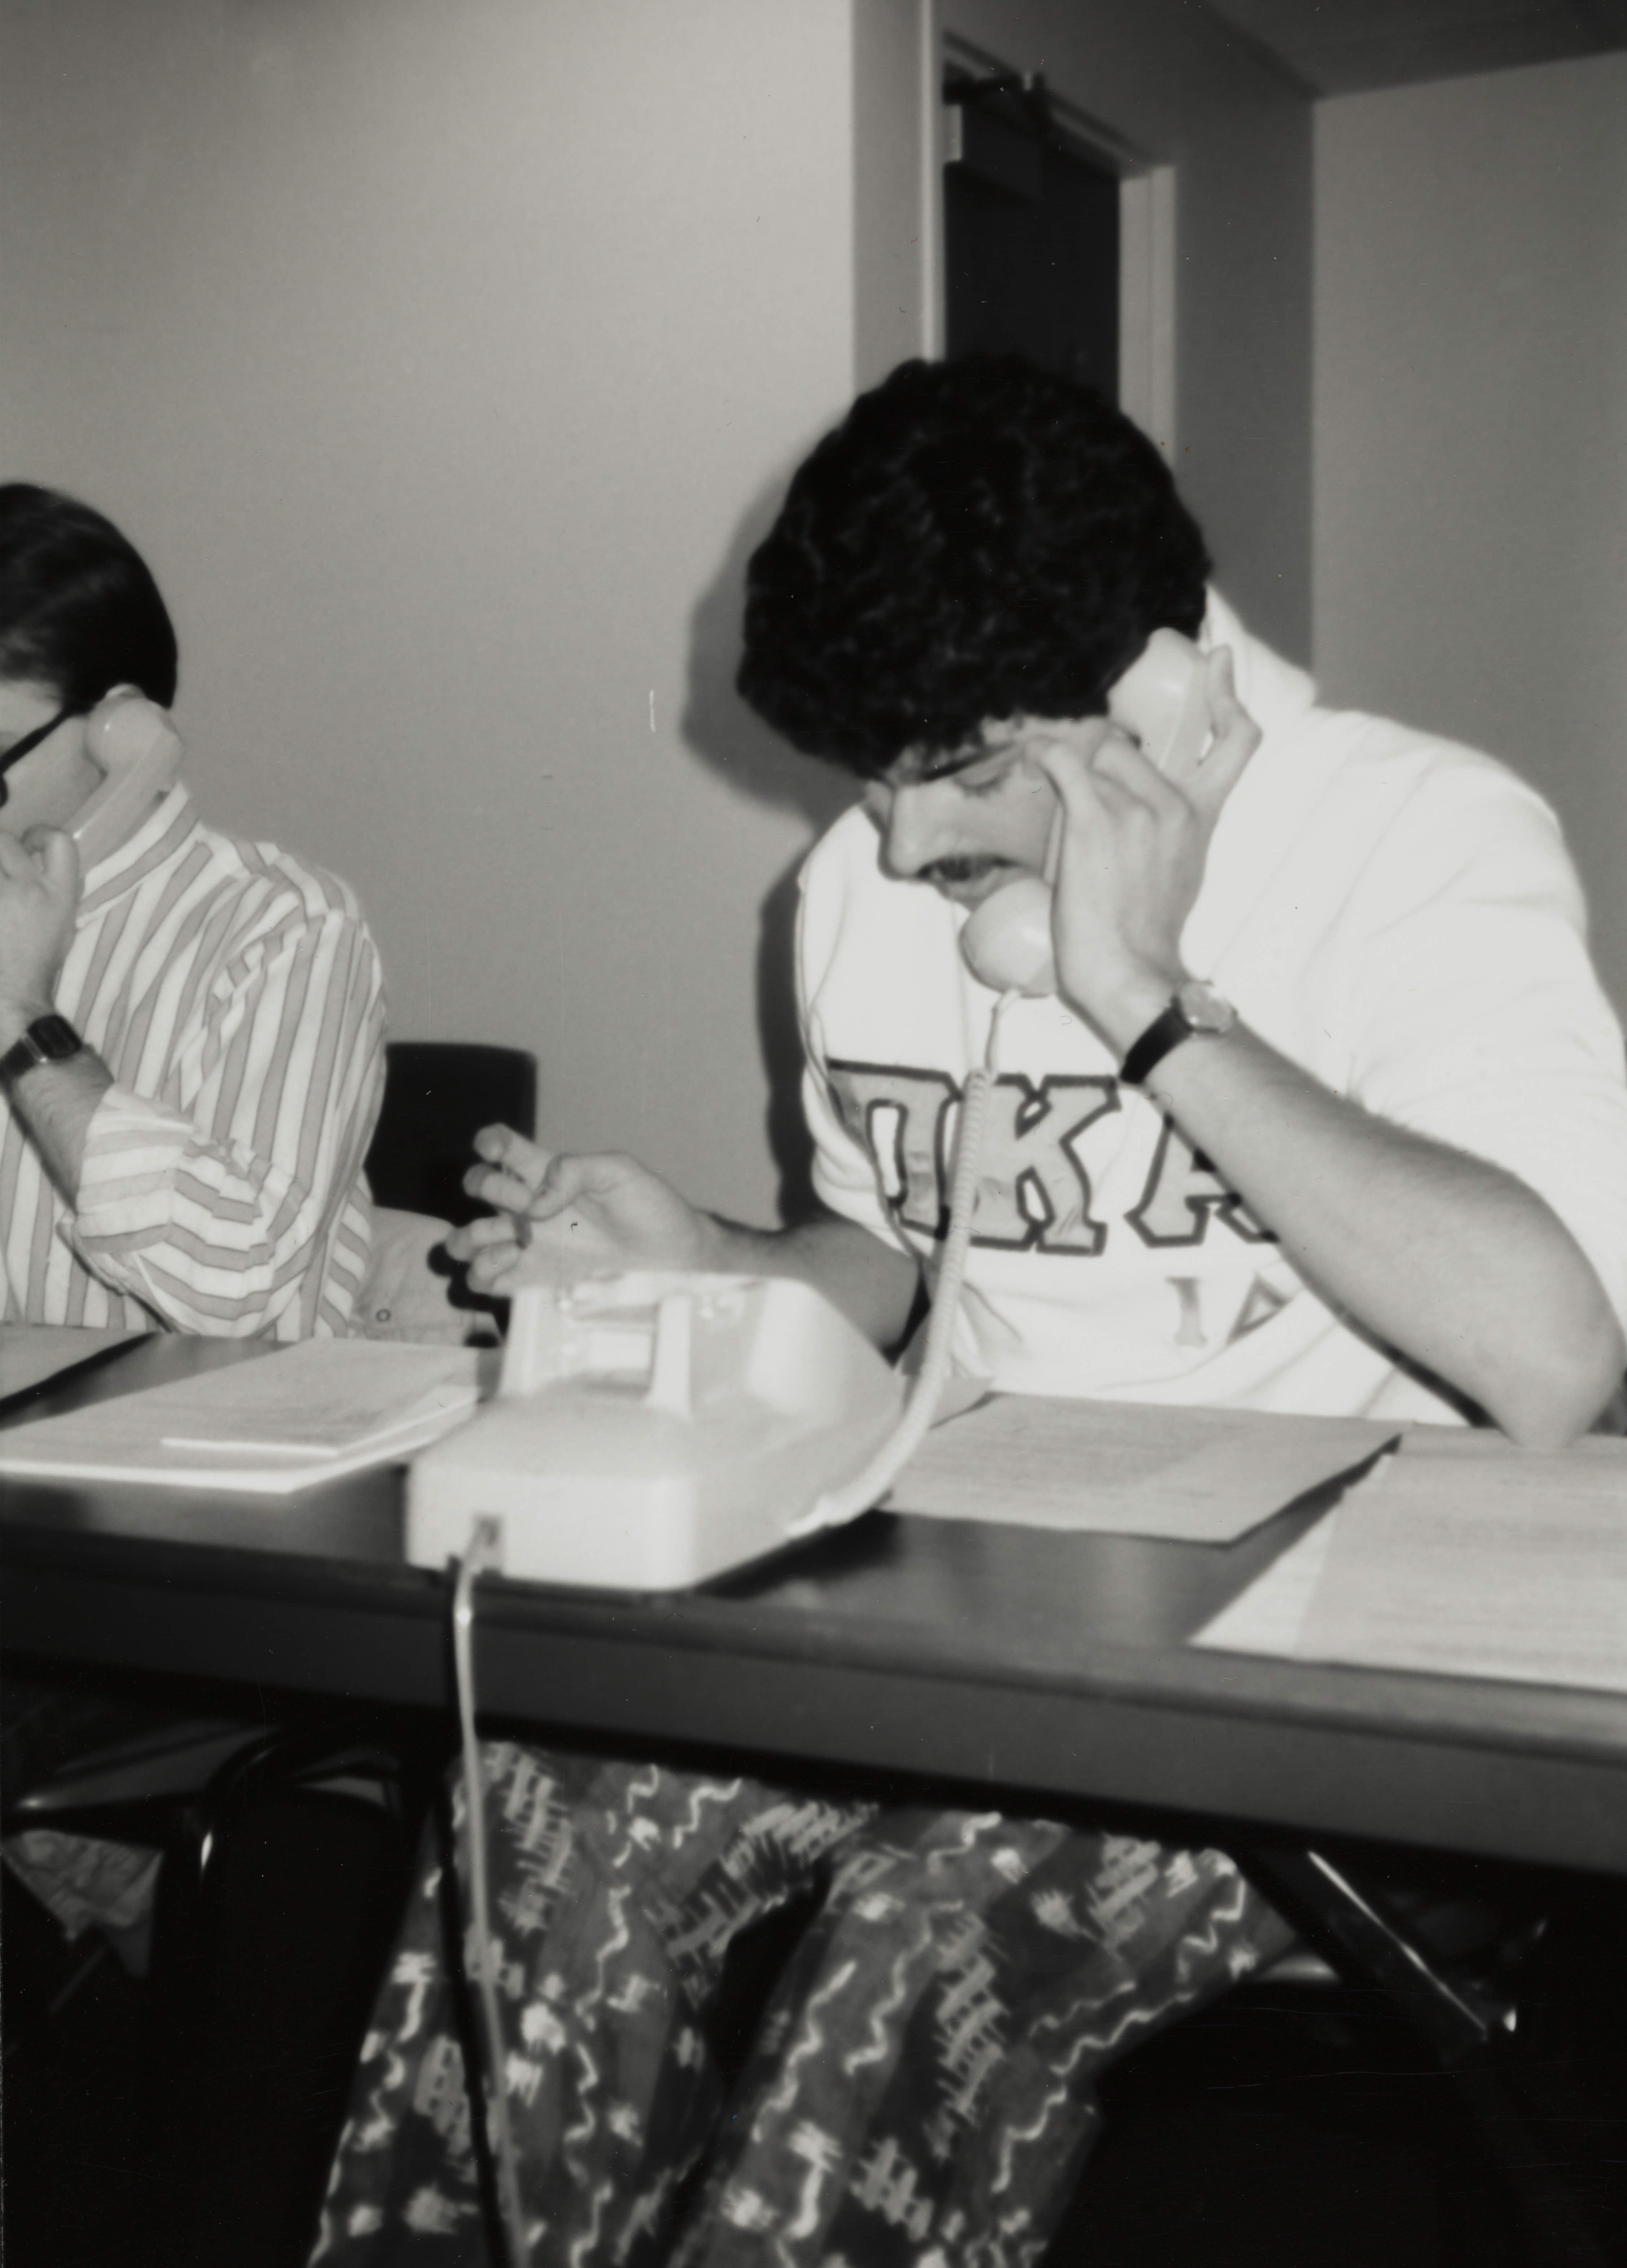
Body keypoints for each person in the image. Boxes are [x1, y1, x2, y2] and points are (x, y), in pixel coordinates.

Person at [313, 359, 1627, 2266]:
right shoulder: (857, 893)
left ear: (1168, 707)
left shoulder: (1419, 844)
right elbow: (902, 1262)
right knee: (535, 1807)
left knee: (923, 1934)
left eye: (961, 774)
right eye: (876, 781)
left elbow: (1558, 1356)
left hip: (1270, 1703)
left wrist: (1147, 1000)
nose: (905, 850)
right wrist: (712, 1260)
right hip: (937, 1631)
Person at [1, 482, 387, 1953]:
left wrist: (27, 1019)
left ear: (121, 734)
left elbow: (228, 1289)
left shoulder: (284, 932)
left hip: (187, 1581)